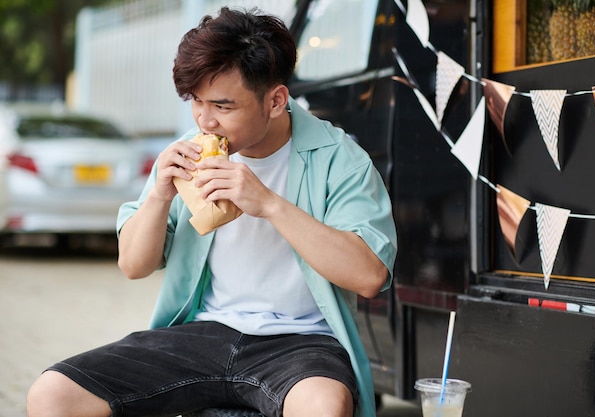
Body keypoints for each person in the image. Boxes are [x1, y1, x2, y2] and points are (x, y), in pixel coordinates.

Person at [26, 7, 396, 417]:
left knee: (324, 407)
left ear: (275, 100)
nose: (205, 120)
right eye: (196, 101)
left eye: (222, 106)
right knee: (52, 395)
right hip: (202, 333)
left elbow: (369, 276)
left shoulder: (339, 158)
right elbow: (133, 265)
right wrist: (159, 196)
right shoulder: (185, 152)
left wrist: (269, 204)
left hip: (301, 341)